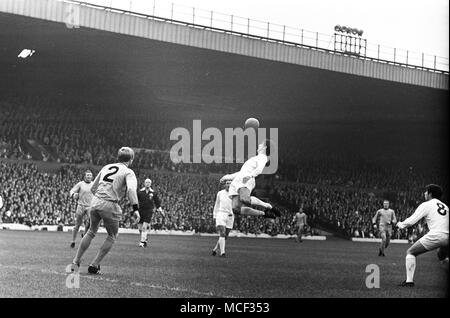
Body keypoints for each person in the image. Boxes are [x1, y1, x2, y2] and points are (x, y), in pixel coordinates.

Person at [71, 147, 140, 274]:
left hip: (95, 202)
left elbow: (93, 188)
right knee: (112, 235)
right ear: (131, 159)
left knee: (91, 231)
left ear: (118, 158)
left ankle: (75, 261)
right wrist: (135, 208)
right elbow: (131, 190)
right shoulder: (129, 172)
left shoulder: (107, 167)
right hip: (110, 204)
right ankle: (94, 264)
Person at [396, 184, 449, 287]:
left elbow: (411, 221)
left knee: (411, 252)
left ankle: (409, 281)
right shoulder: (446, 207)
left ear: (430, 194)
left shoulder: (427, 204)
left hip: (437, 235)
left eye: (426, 192)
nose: (424, 193)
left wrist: (400, 225)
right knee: (442, 256)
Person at [220, 140, 280, 219]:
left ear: (265, 147)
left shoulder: (263, 157)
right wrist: (228, 176)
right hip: (237, 181)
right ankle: (264, 214)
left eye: (261, 144)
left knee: (245, 199)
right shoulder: (255, 158)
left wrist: (250, 176)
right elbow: (241, 173)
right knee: (236, 209)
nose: (259, 145)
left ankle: (268, 206)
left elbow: (259, 169)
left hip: (246, 179)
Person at [69, 170, 94, 248]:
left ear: (92, 177)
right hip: (80, 206)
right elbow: (71, 191)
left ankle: (84, 236)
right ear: (84, 176)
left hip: (89, 206)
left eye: (90, 175)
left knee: (90, 222)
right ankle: (73, 241)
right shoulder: (80, 184)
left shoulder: (94, 184)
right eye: (87, 175)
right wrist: (74, 194)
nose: (89, 176)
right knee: (77, 224)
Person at [137, 178, 162, 247]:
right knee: (140, 228)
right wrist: (135, 210)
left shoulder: (153, 193)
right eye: (146, 182)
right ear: (144, 183)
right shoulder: (140, 192)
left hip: (149, 211)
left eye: (149, 182)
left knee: (144, 227)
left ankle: (142, 242)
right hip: (141, 211)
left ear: (150, 184)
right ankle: (145, 238)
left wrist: (161, 210)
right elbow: (136, 201)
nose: (147, 183)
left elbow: (157, 202)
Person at [212, 180, 234, 257]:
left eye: (230, 184)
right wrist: (214, 215)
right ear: (225, 185)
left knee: (225, 236)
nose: (228, 185)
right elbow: (216, 204)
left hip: (230, 216)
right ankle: (223, 253)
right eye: (227, 183)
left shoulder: (235, 194)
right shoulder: (220, 193)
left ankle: (215, 249)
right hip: (221, 214)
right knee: (222, 232)